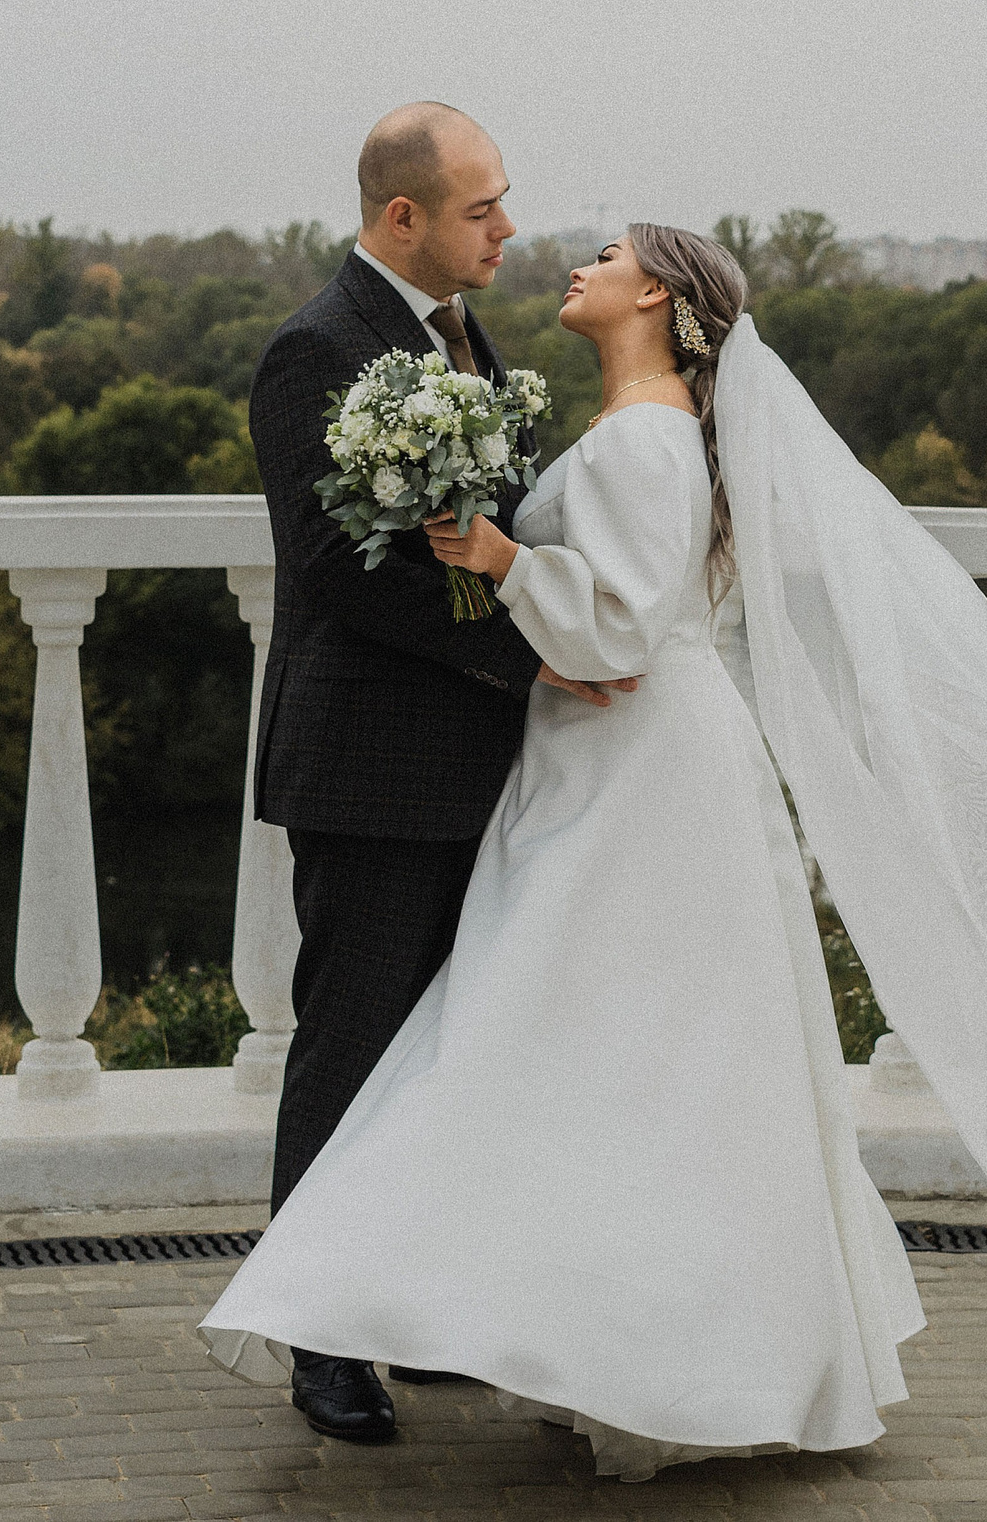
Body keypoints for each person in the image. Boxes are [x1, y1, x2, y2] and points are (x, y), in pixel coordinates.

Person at [204, 220, 987, 1479]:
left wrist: (504, 556)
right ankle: (546, 1320)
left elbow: (620, 630)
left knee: (585, 1046)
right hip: (623, 761)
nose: (573, 256)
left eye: (613, 253)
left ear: (661, 298)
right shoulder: (647, 417)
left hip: (632, 769)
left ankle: (551, 1325)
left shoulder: (643, 432)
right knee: (625, 1056)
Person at [240, 102, 641, 1444]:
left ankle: (410, 1308)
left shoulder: (464, 341)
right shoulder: (316, 351)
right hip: (369, 766)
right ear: (402, 217)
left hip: (476, 769)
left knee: (443, 1055)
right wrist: (532, 662)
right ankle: (320, 1339)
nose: (509, 230)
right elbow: (348, 580)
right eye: (484, 209)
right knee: (350, 1048)